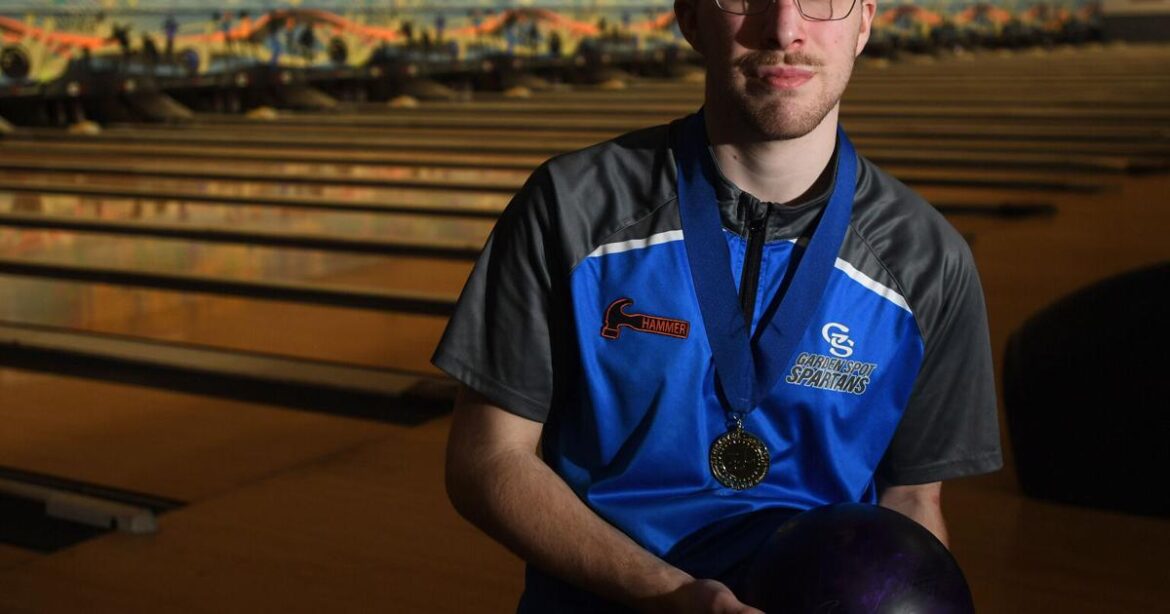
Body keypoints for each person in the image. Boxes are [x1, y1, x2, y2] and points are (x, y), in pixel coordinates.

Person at [434, 0, 1003, 612]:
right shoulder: (571, 210)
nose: (785, 27)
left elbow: (914, 503)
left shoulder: (927, 260)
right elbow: (487, 457)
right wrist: (667, 592)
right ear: (689, 18)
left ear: (864, 21)